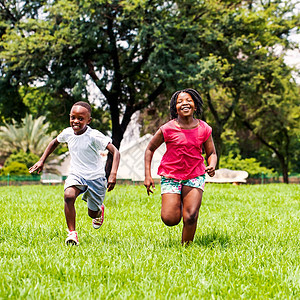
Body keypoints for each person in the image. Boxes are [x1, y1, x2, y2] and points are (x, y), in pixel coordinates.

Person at [29, 101, 120, 245]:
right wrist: (41, 160)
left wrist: (113, 174)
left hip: (96, 178)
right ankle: (72, 234)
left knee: (92, 213)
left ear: (88, 120)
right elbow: (54, 142)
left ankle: (99, 211)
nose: (75, 121)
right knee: (68, 196)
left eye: (80, 118)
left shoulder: (94, 136)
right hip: (77, 174)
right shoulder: (67, 133)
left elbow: (115, 152)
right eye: (73, 117)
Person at [144, 88, 217, 245]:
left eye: (189, 100)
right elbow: (149, 149)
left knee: (190, 216)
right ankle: (180, 201)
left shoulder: (204, 128)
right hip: (171, 176)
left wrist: (212, 165)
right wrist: (147, 176)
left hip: (195, 175)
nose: (185, 103)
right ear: (174, 108)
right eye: (180, 101)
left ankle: (186, 249)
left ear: (195, 106)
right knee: (170, 219)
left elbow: (212, 153)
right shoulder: (167, 129)